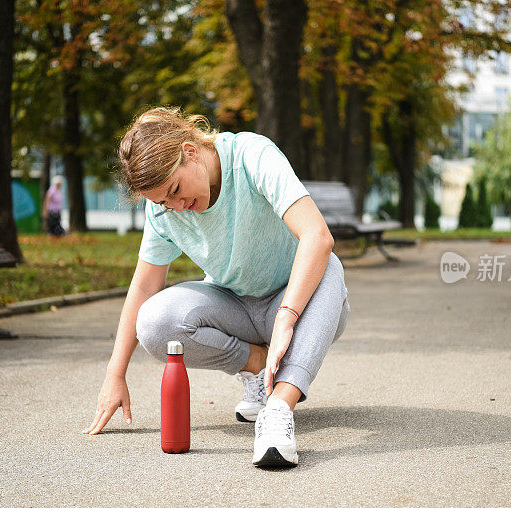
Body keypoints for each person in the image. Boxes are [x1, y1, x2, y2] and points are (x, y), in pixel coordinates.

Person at [82, 107, 351, 467]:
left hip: (297, 303)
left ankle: (278, 408)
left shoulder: (251, 156)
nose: (176, 208)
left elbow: (317, 236)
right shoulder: (163, 211)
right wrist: (115, 374)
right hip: (234, 308)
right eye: (163, 202)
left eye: (175, 191)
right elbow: (145, 286)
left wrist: (288, 315)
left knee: (328, 265)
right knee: (154, 321)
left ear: (190, 152)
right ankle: (260, 369)